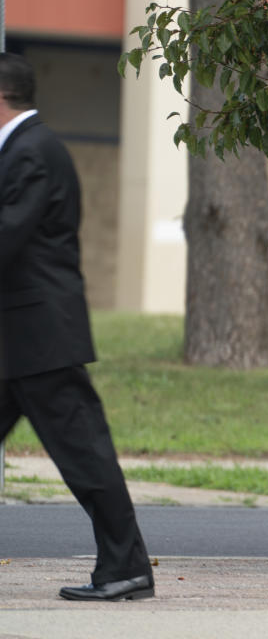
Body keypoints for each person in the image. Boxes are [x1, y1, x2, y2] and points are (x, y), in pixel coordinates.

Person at [0, 52, 154, 601]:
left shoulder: (32, 152)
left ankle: (126, 568)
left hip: (40, 340)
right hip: (20, 340)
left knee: (86, 458)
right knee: (86, 455)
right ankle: (125, 567)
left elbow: (9, 236)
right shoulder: (23, 150)